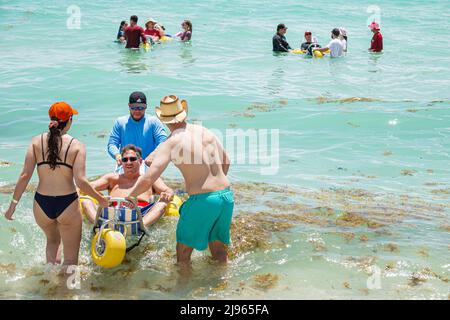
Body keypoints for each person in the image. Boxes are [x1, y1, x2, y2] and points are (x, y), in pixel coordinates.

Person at [126, 95, 234, 270]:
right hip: (226, 197)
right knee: (219, 251)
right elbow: (226, 160)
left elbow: (149, 178)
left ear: (163, 120)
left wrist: (130, 195)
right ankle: (222, 287)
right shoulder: (205, 131)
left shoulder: (172, 141)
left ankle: (181, 291)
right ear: (183, 113)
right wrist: (214, 189)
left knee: (183, 253)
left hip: (203, 201)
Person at [3, 102, 108, 267]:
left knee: (52, 243)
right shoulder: (77, 146)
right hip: (67, 204)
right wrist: (100, 199)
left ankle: (49, 286)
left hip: (41, 204)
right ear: (69, 120)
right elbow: (80, 181)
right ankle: (68, 290)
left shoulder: (36, 142)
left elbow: (24, 176)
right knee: (71, 260)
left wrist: (12, 206)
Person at [81, 144, 173, 227]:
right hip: (112, 212)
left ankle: (141, 226)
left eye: (132, 159)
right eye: (125, 159)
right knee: (86, 201)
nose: (128, 162)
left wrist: (167, 195)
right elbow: (89, 186)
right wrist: (100, 198)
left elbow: (167, 190)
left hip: (141, 214)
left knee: (162, 204)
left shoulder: (149, 179)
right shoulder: (112, 178)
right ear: (122, 162)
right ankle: (99, 225)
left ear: (140, 161)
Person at [107, 91, 168, 171]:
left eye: (141, 107)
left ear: (146, 107)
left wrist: (153, 154)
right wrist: (117, 155)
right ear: (129, 106)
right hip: (126, 165)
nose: (137, 111)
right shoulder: (120, 122)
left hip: (147, 167)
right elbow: (112, 144)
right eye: (134, 107)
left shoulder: (154, 122)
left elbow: (164, 142)